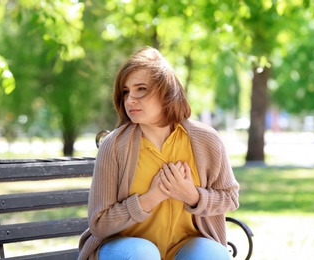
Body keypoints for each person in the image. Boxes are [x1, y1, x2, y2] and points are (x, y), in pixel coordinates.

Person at [78, 46, 239, 260]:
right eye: (126, 91)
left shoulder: (206, 140)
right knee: (143, 254)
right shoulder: (114, 146)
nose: (130, 100)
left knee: (213, 255)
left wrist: (191, 195)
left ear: (167, 92)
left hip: (185, 247)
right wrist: (151, 198)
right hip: (125, 250)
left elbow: (229, 198)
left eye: (141, 89)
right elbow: (99, 223)